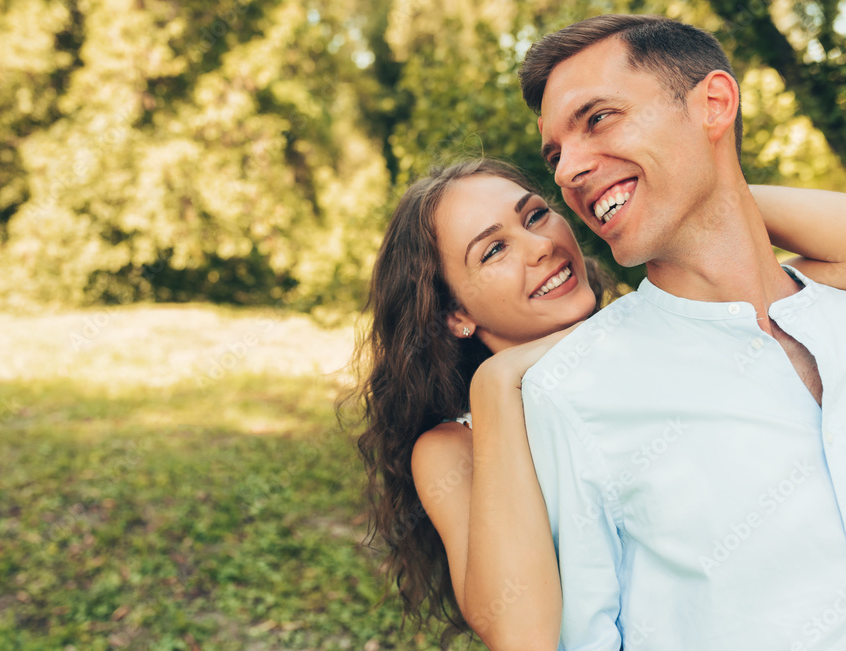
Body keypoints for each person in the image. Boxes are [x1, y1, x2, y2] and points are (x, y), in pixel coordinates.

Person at [350, 158, 846, 648]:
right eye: (495, 249)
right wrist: (497, 383)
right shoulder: (453, 446)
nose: (542, 246)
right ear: (455, 312)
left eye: (536, 215)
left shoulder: (660, 331)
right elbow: (522, 635)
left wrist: (697, 191)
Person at [513, 14, 846, 649]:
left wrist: (727, 199)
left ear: (714, 104)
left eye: (598, 119)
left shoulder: (836, 307)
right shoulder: (573, 390)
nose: (565, 173)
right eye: (554, 154)